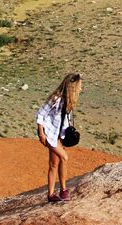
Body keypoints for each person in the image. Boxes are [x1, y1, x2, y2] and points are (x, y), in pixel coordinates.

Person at [36, 73, 81, 202]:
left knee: (54, 164)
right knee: (64, 157)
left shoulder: (70, 100)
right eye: (78, 86)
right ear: (72, 86)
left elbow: (66, 119)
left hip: (59, 135)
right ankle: (63, 190)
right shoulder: (56, 98)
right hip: (49, 135)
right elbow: (40, 114)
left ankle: (51, 195)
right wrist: (41, 133)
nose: (80, 89)